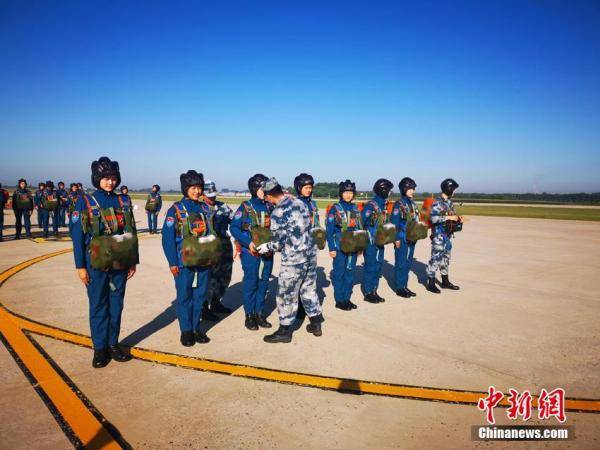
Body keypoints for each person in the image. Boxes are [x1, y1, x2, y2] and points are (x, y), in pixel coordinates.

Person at [71, 156, 137, 368]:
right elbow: (78, 237)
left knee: (116, 304)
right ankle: (100, 349)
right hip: (95, 263)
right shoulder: (85, 201)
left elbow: (130, 231)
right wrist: (80, 266)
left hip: (120, 261)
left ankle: (113, 344)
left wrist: (132, 260)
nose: (110, 182)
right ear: (97, 178)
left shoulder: (123, 201)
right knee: (99, 304)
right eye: (105, 178)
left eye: (113, 178)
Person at [254, 178, 324, 343]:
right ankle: (316, 323)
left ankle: (284, 331)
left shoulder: (278, 213)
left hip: (293, 260)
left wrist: (267, 247)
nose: (267, 201)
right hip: (310, 255)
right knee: (308, 289)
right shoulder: (299, 203)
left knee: (286, 294)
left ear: (271, 195)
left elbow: (279, 242)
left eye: (267, 198)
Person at [161, 170, 214, 346]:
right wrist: (172, 263)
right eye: (193, 188)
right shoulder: (175, 210)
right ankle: (186, 330)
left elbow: (211, 235)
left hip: (203, 261)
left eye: (199, 188)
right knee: (185, 296)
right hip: (183, 263)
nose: (197, 191)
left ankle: (196, 328)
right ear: (185, 189)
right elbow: (167, 239)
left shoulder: (206, 209)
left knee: (200, 296)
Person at [230, 174, 274, 330]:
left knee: (263, 283)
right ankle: (249, 315)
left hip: (268, 253)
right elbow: (234, 228)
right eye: (262, 188)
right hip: (251, 254)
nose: (265, 190)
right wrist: (247, 243)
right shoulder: (246, 207)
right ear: (255, 189)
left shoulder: (270, 206)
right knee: (251, 283)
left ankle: (260, 313)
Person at [326, 180, 364, 311]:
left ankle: (347, 298)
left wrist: (360, 246)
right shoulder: (335, 209)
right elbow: (329, 230)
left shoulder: (355, 208)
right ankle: (340, 300)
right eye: (346, 192)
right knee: (339, 273)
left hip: (353, 245)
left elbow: (359, 228)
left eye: (351, 193)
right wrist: (331, 248)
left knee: (350, 272)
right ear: (341, 193)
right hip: (339, 246)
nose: (348, 195)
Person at [201, 180, 234, 320]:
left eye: (214, 195)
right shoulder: (198, 208)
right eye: (209, 195)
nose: (212, 198)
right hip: (206, 249)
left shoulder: (223, 207)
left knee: (223, 276)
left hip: (224, 248)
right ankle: (203, 308)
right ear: (202, 194)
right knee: (206, 279)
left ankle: (216, 302)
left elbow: (236, 222)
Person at [361, 178, 395, 303]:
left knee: (378, 266)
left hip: (380, 242)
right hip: (371, 243)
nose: (390, 193)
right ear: (383, 190)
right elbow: (361, 222)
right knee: (370, 267)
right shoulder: (371, 206)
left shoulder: (383, 205)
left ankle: (374, 290)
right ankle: (368, 292)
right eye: (389, 190)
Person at [426, 178, 462, 293]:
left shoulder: (450, 203)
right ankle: (430, 283)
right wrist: (448, 217)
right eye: (454, 190)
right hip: (438, 236)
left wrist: (457, 219)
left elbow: (452, 215)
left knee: (446, 259)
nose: (454, 192)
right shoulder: (437, 203)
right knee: (436, 259)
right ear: (449, 189)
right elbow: (433, 218)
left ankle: (445, 281)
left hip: (447, 236)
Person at [392, 177, 419, 298]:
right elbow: (394, 223)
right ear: (403, 189)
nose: (411, 191)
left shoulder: (413, 204)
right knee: (401, 263)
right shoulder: (399, 204)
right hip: (402, 238)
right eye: (409, 189)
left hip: (412, 237)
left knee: (408, 263)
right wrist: (396, 239)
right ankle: (399, 288)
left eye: (413, 189)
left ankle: (404, 285)